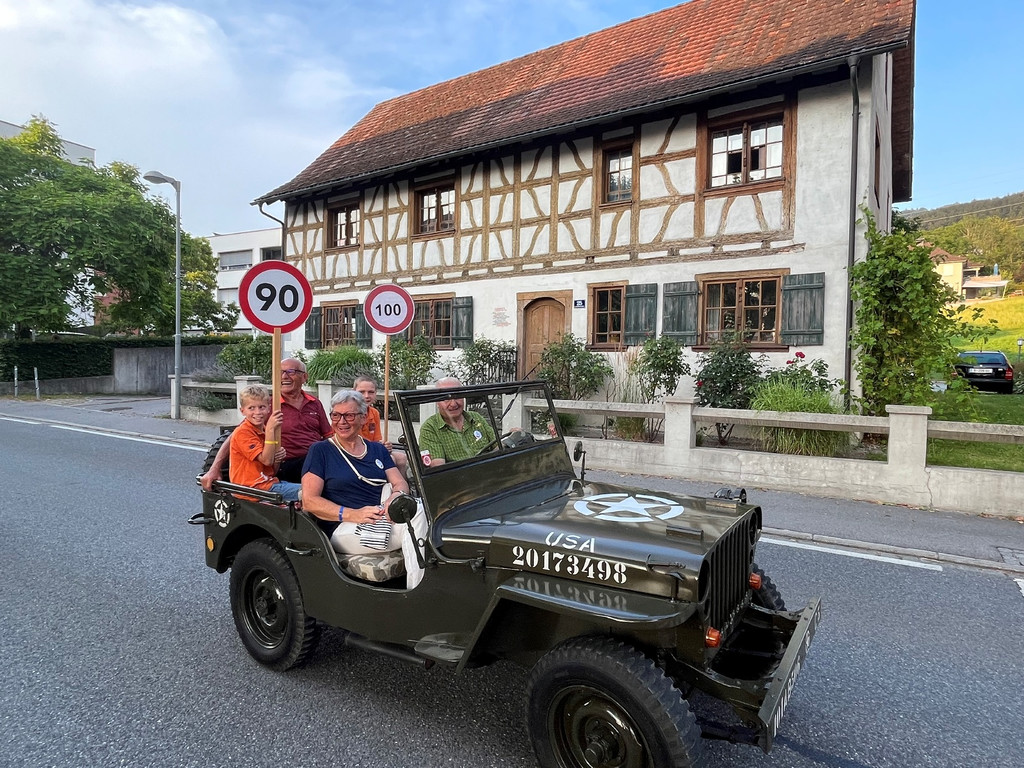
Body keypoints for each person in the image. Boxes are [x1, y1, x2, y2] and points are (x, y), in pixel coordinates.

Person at [301, 390, 426, 588]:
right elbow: (309, 501)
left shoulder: (376, 449)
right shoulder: (321, 451)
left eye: (349, 415)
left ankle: (419, 587)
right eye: (336, 415)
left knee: (420, 509)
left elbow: (399, 483)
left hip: (380, 518)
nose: (341, 421)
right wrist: (353, 514)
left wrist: (395, 497)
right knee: (418, 516)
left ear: (363, 417)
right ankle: (417, 590)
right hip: (342, 527)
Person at [200, 358, 332, 490]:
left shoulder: (314, 403)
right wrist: (214, 468)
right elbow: (236, 436)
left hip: (314, 460)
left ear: (304, 377)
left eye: (291, 372)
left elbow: (328, 435)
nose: (284, 376)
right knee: (326, 483)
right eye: (280, 372)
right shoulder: (267, 406)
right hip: (286, 463)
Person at [229, 384, 302, 502]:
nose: (257, 412)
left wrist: (277, 459)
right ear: (242, 411)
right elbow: (266, 460)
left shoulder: (262, 430)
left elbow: (271, 469)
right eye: (251, 408)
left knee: (314, 486)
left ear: (269, 408)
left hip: (268, 483)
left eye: (261, 407)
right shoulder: (243, 432)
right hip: (252, 489)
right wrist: (270, 430)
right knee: (311, 492)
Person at [417, 377, 496, 466]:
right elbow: (438, 470)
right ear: (437, 402)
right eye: (446, 398)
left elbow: (497, 446)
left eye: (457, 396)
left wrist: (511, 438)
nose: (453, 404)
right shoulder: (430, 428)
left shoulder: (476, 417)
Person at [353, 374, 408, 476]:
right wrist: (378, 447)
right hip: (355, 452)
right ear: (353, 392)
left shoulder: (374, 413)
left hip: (371, 449)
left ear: (375, 394)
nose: (366, 396)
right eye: (361, 392)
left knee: (401, 458)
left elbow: (376, 440)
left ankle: (400, 489)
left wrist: (384, 445)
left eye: (371, 392)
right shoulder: (350, 413)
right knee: (390, 459)